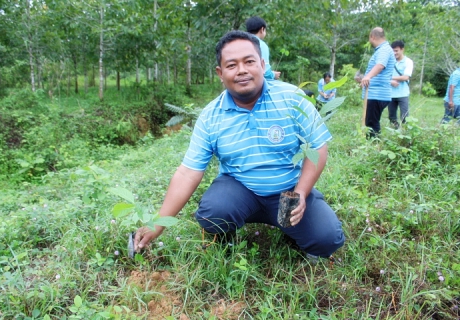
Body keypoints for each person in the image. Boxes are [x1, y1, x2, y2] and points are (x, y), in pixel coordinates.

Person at [134, 30, 345, 262]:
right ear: (220, 73)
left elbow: (318, 147)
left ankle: (292, 230)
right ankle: (225, 238)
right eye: (232, 65)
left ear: (263, 64)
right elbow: (187, 172)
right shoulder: (211, 116)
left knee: (327, 239)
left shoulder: (293, 98)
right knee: (214, 212)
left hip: (288, 191)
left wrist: (301, 192)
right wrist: (158, 223)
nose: (242, 70)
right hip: (240, 191)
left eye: (249, 61)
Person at [360, 27, 395, 138]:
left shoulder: (384, 49)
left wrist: (368, 77)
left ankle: (373, 147)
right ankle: (371, 145)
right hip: (375, 93)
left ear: (372, 37)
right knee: (371, 122)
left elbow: (380, 65)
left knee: (372, 124)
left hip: (377, 94)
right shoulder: (383, 49)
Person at [245, 16, 281, 80]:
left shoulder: (241, 42)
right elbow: (265, 72)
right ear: (262, 29)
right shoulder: (261, 45)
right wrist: (273, 75)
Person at [388, 40, 414, 128]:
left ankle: (404, 134)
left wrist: (391, 78)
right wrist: (390, 81)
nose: (394, 53)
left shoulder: (408, 62)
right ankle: (395, 132)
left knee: (405, 117)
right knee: (392, 117)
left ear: (402, 49)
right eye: (393, 51)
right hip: (391, 94)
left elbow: (406, 77)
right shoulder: (390, 61)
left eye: (396, 51)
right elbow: (384, 76)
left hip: (403, 94)